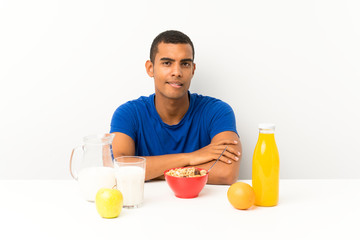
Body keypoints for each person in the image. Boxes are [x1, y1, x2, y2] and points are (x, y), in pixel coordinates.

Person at [110, 30, 241, 185]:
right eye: (167, 63)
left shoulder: (217, 112)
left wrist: (149, 172)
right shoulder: (128, 114)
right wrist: (190, 157)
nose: (177, 72)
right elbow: (121, 169)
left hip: (202, 206)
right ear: (150, 68)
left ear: (192, 69)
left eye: (185, 64)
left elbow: (226, 173)